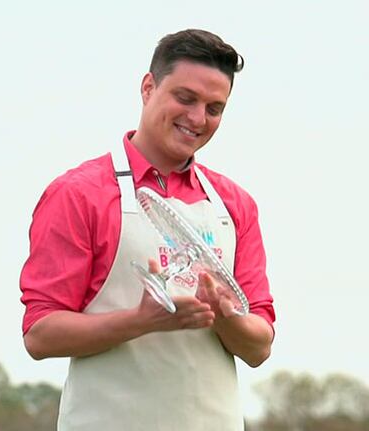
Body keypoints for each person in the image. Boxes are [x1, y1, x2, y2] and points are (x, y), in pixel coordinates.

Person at [20, 29, 275, 430]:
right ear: (148, 87)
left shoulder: (235, 204)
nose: (197, 118)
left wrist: (225, 315)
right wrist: (144, 319)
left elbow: (260, 345)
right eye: (185, 98)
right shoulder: (78, 194)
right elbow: (40, 334)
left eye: (214, 108)